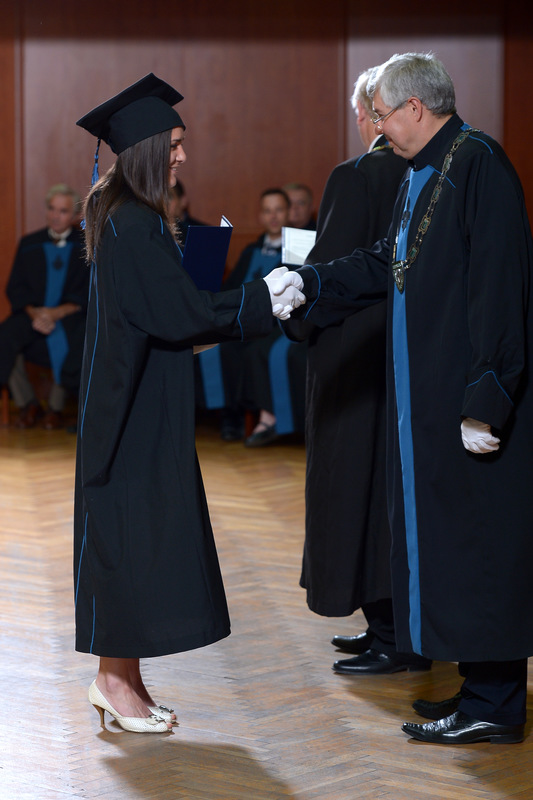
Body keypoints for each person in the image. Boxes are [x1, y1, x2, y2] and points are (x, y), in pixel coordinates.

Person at [287, 52, 533, 744]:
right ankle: (478, 689)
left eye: (381, 114)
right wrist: (311, 283)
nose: (376, 126)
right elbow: (383, 261)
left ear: (414, 108)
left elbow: (500, 284)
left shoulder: (478, 163)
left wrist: (487, 396)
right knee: (451, 547)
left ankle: (495, 705)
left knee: (480, 548)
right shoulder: (422, 170)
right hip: (426, 400)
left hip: (469, 402)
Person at [74, 74, 304, 734]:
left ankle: (127, 680)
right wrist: (262, 299)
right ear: (149, 148)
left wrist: (240, 304)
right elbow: (177, 315)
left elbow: (172, 311)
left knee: (139, 539)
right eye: (174, 144)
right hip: (129, 408)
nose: (182, 155)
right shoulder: (131, 222)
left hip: (139, 398)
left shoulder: (131, 216)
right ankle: (111, 681)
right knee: (127, 540)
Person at [285, 68, 429, 674]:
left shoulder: (357, 174)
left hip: (352, 357)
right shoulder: (427, 173)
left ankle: (391, 635)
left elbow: (335, 268)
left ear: (371, 115)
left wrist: (294, 304)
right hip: (407, 357)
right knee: (390, 496)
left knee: (351, 493)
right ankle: (393, 628)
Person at [197, 188, 307, 445]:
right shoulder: (251, 250)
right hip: (241, 319)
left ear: (288, 213)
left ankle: (266, 418)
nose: (273, 216)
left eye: (279, 210)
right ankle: (230, 417)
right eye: (267, 211)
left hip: (276, 321)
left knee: (255, 351)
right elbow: (232, 287)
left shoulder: (298, 246)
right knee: (217, 348)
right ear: (260, 216)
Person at [0, 184, 88, 429]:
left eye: (63, 211)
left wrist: (56, 313)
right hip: (33, 314)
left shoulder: (86, 245)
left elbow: (89, 292)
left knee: (75, 338)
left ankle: (56, 408)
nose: (55, 216)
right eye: (51, 209)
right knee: (6, 336)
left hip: (69, 315)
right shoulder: (30, 243)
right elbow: (15, 287)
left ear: (74, 215)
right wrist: (36, 313)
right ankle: (28, 404)